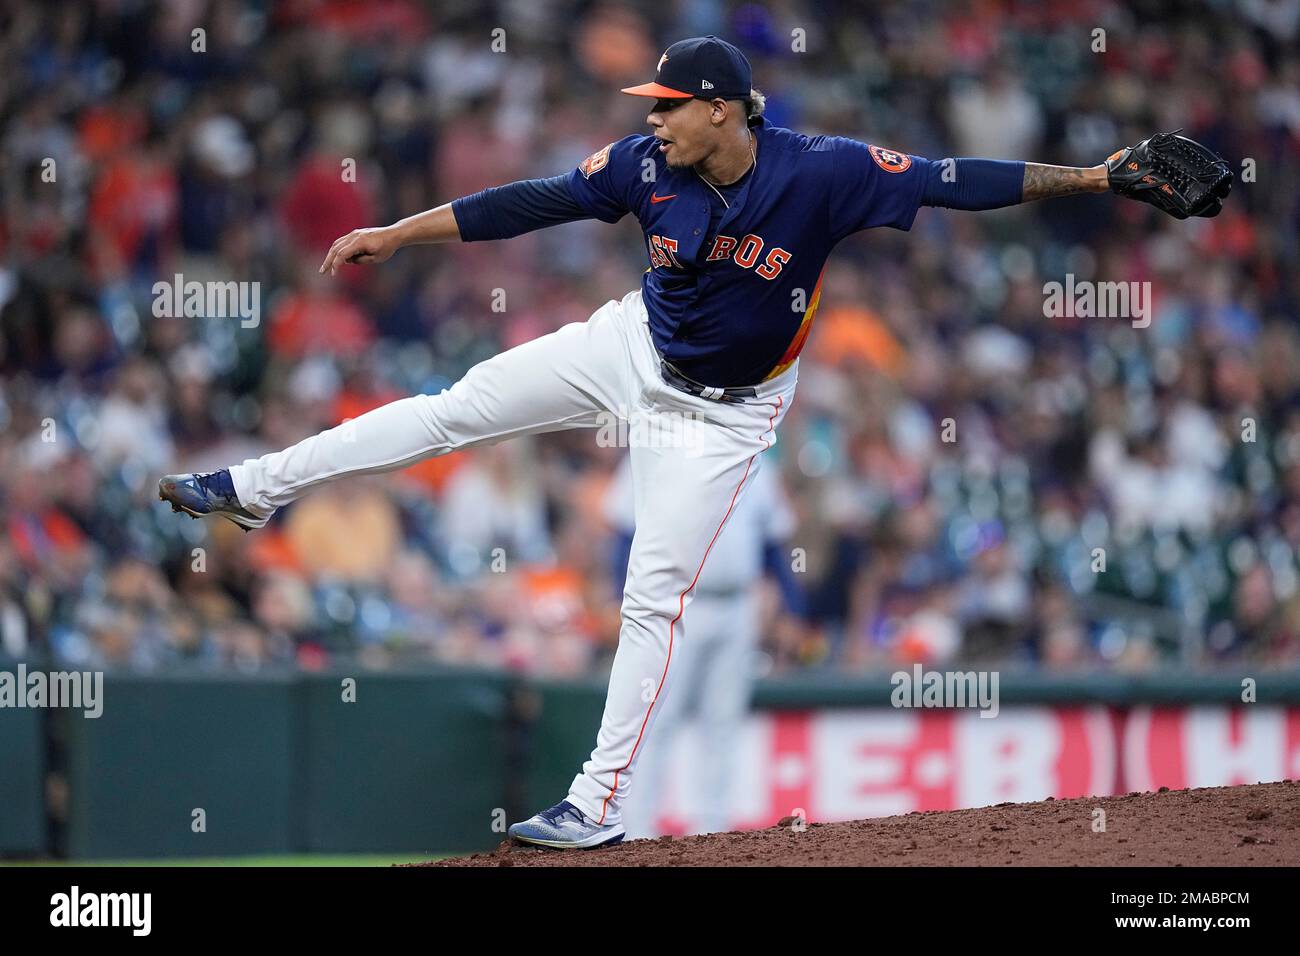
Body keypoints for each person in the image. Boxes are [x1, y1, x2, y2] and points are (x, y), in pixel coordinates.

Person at [158, 35, 1166, 849]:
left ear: (721, 109)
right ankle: (256, 484)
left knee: (651, 591)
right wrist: (396, 232)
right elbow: (523, 204)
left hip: (724, 411)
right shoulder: (644, 165)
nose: (651, 118)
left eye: (668, 103)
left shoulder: (822, 172)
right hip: (630, 344)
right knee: (451, 407)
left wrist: (1096, 177)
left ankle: (596, 801)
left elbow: (956, 177)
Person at [605, 454, 802, 838]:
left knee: (723, 721)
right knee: (658, 718)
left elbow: (772, 543)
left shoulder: (755, 450)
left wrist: (792, 608)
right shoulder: (655, 447)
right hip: (675, 602)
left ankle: (713, 831)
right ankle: (637, 830)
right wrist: (621, 599)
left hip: (738, 605)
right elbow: (625, 535)